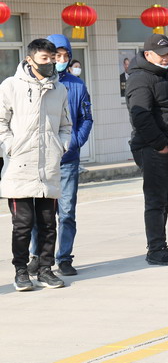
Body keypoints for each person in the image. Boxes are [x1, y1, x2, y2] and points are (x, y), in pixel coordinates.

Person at [0, 38, 72, 291]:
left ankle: (45, 269)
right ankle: (21, 271)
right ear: (29, 60)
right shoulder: (10, 86)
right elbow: (1, 122)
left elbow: (66, 125)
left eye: (52, 58)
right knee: (22, 225)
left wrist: (61, 145)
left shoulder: (59, 89)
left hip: (48, 165)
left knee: (48, 223)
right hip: (19, 165)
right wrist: (10, 146)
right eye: (45, 58)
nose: (50, 63)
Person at [25, 34, 93, 277]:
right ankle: (36, 256)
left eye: (65, 56)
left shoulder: (77, 85)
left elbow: (86, 118)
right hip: (39, 160)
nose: (61, 60)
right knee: (38, 214)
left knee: (66, 213)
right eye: (56, 56)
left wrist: (73, 143)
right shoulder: (32, 84)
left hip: (67, 160)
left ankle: (64, 257)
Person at [125, 33, 168, 266]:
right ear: (148, 54)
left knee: (165, 199)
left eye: (167, 54)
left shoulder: (162, 75)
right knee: (155, 200)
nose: (165, 58)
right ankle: (155, 249)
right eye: (160, 54)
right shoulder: (140, 78)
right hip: (153, 148)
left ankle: (161, 244)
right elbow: (140, 116)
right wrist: (160, 145)